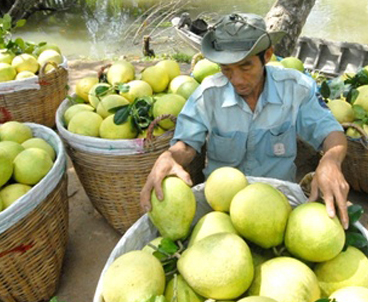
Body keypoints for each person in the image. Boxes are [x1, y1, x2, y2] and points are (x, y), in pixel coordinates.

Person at [139, 13, 352, 228]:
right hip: (221, 206)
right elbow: (185, 145)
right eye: (227, 69)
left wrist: (331, 161)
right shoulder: (208, 95)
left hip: (277, 201)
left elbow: (330, 133)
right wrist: (169, 157)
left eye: (246, 67)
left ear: (267, 56)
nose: (237, 80)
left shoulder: (296, 89)